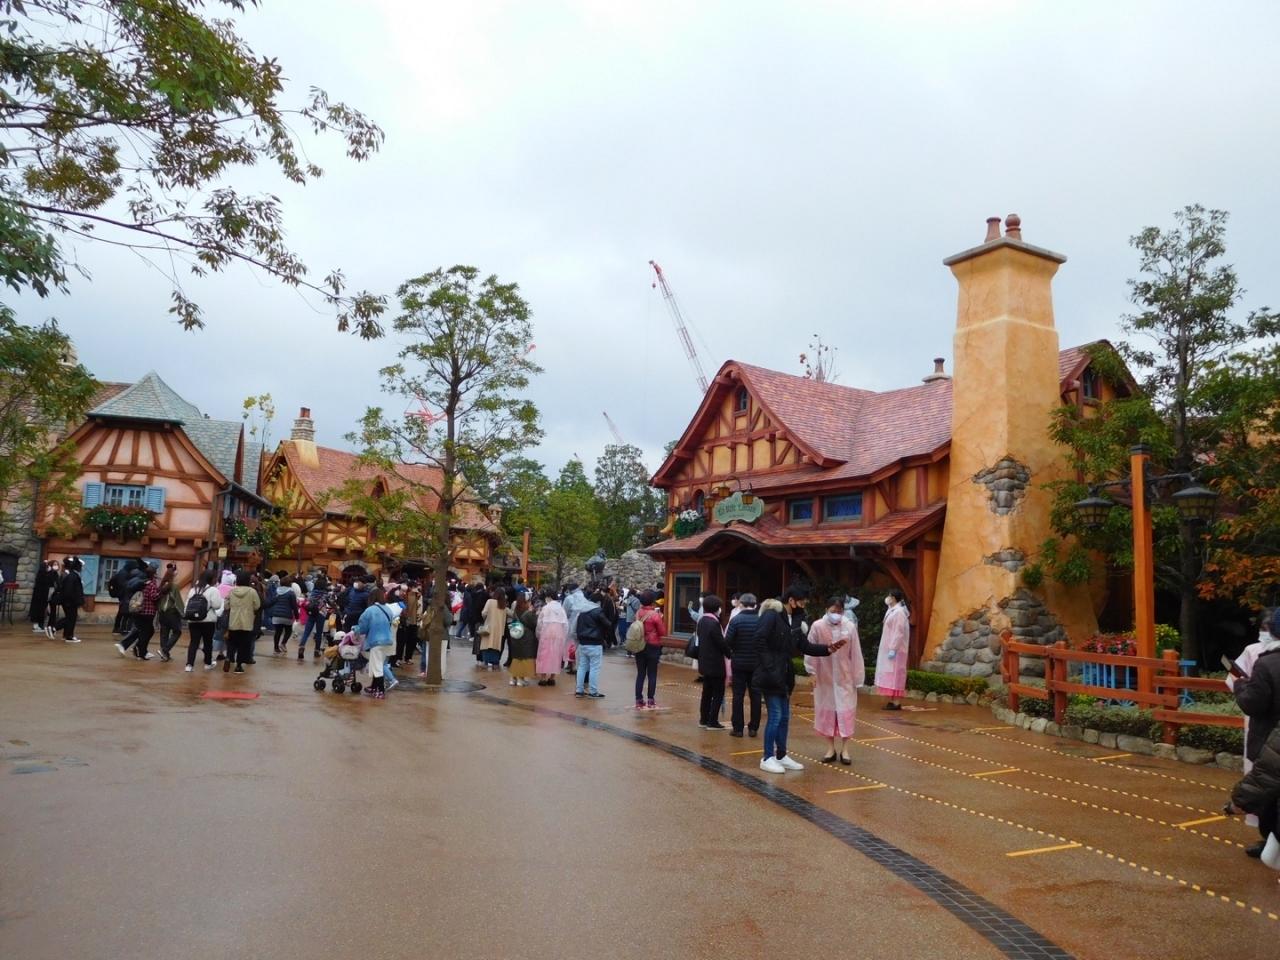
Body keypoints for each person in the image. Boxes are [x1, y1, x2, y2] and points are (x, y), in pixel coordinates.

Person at [753, 588, 846, 774]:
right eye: (802, 602)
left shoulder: (795, 620)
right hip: (770, 675)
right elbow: (759, 639)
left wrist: (827, 649)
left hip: (784, 676)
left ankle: (781, 755)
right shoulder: (772, 615)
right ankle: (767, 757)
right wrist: (770, 666)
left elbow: (804, 646)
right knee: (775, 716)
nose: (804, 605)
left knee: (784, 717)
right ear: (792, 600)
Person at [1233, 608, 1280, 858]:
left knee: (1269, 797)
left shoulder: (1267, 662)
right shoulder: (1259, 655)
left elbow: (1252, 702)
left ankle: (1271, 845)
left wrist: (1241, 686)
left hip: (1270, 739)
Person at [806, 595, 865, 764]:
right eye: (833, 611)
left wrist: (858, 677)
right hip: (825, 678)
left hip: (845, 678)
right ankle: (830, 748)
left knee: (846, 713)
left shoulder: (849, 627)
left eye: (839, 611)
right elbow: (810, 650)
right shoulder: (817, 626)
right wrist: (811, 672)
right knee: (827, 714)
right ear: (826, 610)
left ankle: (845, 749)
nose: (836, 614)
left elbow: (856, 653)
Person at [725, 593, 762, 737]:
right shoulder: (761, 620)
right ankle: (753, 727)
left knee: (738, 696)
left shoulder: (736, 620)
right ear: (755, 604)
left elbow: (728, 642)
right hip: (756, 663)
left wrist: (734, 651)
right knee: (756, 695)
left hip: (739, 663)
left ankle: (738, 728)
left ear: (741, 604)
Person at [353, 586, 395, 698]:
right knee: (378, 664)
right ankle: (374, 687)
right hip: (387, 640)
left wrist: (355, 630)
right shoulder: (388, 609)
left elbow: (362, 628)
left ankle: (380, 691)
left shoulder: (370, 610)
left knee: (377, 667)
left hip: (376, 641)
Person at [696, 595, 730, 729]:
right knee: (718, 693)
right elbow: (721, 643)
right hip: (715, 664)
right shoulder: (713, 623)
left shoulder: (702, 620)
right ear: (716, 608)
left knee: (706, 692)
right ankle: (713, 721)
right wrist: (730, 654)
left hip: (705, 662)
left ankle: (703, 719)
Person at [875, 588, 910, 710]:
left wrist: (893, 648)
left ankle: (896, 702)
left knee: (896, 674)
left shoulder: (899, 612)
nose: (888, 598)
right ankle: (892, 700)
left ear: (894, 598)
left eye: (889, 596)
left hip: (896, 650)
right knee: (890, 674)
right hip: (889, 647)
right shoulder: (892, 610)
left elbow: (898, 632)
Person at [184, 570, 223, 672]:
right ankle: (207, 664)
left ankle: (189, 665)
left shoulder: (193, 589)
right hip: (208, 620)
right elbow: (217, 605)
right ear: (211, 579)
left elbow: (187, 605)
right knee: (208, 642)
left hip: (193, 620)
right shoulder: (213, 590)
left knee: (193, 642)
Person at [574, 590, 610, 699]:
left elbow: (575, 627)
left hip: (582, 643)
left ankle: (579, 690)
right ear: (599, 602)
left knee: (582, 667)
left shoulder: (582, 611)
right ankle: (593, 691)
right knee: (594, 668)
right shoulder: (598, 611)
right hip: (595, 643)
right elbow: (607, 624)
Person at [632, 590, 665, 709]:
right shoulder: (655, 615)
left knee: (640, 673)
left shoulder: (638, 613)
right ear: (652, 601)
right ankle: (651, 699)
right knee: (652, 673)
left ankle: (638, 699)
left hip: (640, 645)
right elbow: (662, 632)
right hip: (653, 645)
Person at [224, 570, 262, 673]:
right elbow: (257, 605)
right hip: (247, 622)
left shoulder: (232, 591)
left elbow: (226, 605)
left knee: (232, 642)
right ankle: (238, 666)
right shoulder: (252, 592)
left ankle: (228, 657)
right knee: (243, 644)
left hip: (233, 620)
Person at [535, 590, 568, 686]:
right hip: (559, 633)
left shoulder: (545, 608)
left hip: (546, 632)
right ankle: (552, 678)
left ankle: (543, 678)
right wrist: (564, 636)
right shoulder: (561, 609)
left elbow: (540, 623)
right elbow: (566, 624)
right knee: (556, 655)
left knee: (544, 655)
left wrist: (538, 634)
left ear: (549, 597)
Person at [155, 565, 184, 661]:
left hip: (161, 613)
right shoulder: (174, 587)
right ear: (173, 576)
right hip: (171, 613)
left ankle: (165, 655)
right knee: (177, 632)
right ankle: (164, 650)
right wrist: (183, 613)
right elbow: (178, 601)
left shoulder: (161, 585)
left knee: (164, 633)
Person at [297, 575, 330, 660]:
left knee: (306, 632)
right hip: (321, 614)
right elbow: (331, 602)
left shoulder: (312, 593)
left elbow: (307, 602)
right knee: (319, 633)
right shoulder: (326, 594)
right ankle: (317, 650)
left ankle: (301, 646)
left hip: (311, 613)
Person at [53, 557, 85, 643]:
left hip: (70, 601)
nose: (82, 568)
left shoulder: (73, 575)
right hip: (70, 602)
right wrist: (72, 601)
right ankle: (56, 628)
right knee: (70, 618)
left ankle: (67, 635)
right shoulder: (72, 576)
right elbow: (69, 590)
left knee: (71, 618)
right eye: (81, 566)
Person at [508, 595, 538, 686]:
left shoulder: (516, 612)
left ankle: (513, 678)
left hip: (516, 636)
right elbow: (535, 624)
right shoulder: (528, 613)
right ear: (525, 602)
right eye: (528, 601)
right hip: (526, 639)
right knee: (524, 659)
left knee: (516, 658)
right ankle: (520, 679)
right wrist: (534, 613)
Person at [478, 587, 508, 671]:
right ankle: (495, 663)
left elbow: (484, 613)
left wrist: (486, 618)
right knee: (496, 647)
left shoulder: (490, 601)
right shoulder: (503, 605)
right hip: (499, 629)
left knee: (486, 645)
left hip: (489, 627)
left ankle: (485, 662)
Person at [268, 575, 299, 655]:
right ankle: (283, 643)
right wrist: (297, 617)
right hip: (287, 616)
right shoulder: (291, 593)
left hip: (276, 616)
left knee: (277, 632)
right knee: (288, 631)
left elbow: (271, 602)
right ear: (290, 583)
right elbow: (294, 606)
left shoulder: (277, 591)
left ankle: (276, 648)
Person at [28, 559, 56, 635]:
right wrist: (50, 572)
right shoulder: (42, 574)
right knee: (38, 611)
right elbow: (47, 582)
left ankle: (38, 626)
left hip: (42, 596)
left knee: (41, 611)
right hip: (40, 596)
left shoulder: (42, 574)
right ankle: (36, 626)